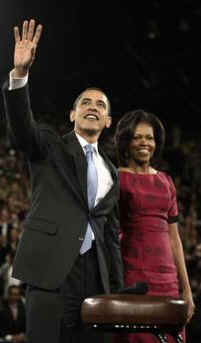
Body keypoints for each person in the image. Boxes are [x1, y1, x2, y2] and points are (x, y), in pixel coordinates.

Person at [2, 19, 123, 343]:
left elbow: (110, 234)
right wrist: (20, 75)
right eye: (86, 102)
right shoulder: (49, 144)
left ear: (108, 120)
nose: (93, 107)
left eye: (100, 105)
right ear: (72, 114)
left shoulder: (112, 172)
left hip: (95, 282)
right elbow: (22, 128)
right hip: (51, 273)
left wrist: (117, 288)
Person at [115, 109, 195, 343]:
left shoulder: (166, 182)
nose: (144, 143)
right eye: (137, 137)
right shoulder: (116, 178)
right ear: (126, 142)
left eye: (149, 138)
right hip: (134, 275)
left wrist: (186, 288)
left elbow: (174, 239)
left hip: (168, 279)